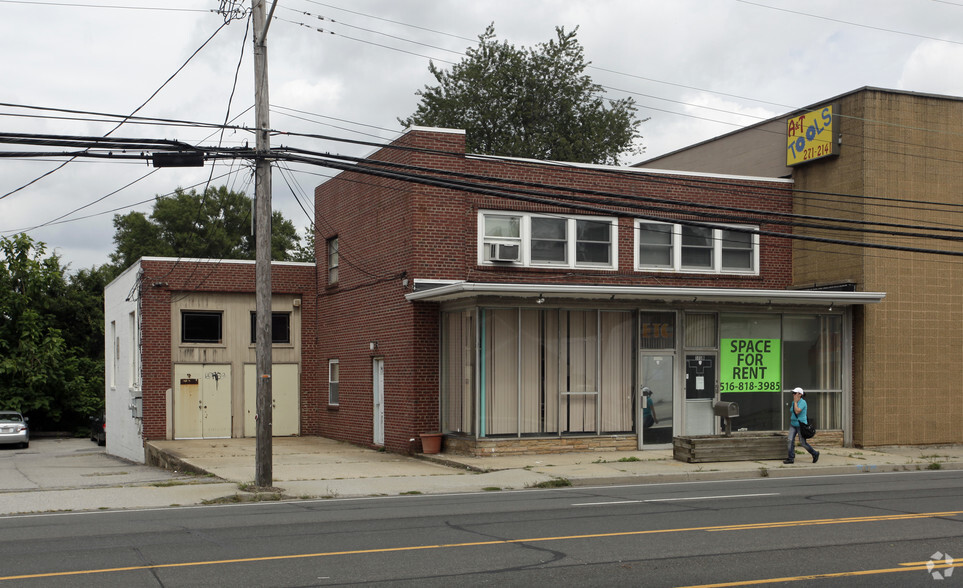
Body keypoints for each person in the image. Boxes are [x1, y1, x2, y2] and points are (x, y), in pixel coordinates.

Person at [784, 387, 819, 464]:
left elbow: (797, 411)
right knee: (790, 440)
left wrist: (795, 403)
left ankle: (815, 453)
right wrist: (794, 403)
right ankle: (791, 458)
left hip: (801, 425)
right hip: (793, 424)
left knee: (803, 443)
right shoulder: (794, 402)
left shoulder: (803, 402)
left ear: (800, 394)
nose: (793, 395)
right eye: (793, 393)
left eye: (795, 393)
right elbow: (791, 410)